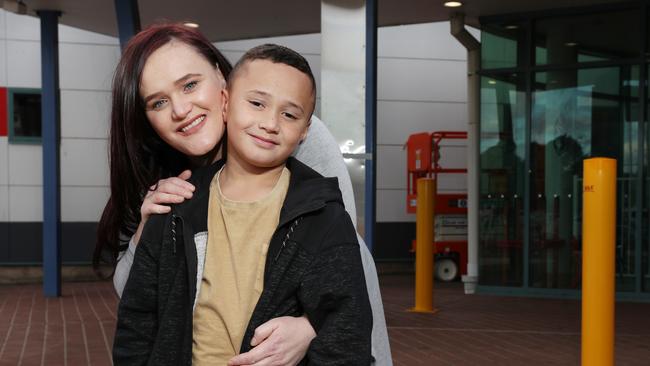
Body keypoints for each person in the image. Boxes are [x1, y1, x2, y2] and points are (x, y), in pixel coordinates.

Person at [96, 23, 391, 365]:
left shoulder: (289, 133)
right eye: (158, 102)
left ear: (223, 82)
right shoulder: (157, 172)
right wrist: (146, 231)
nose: (180, 109)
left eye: (190, 85)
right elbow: (135, 301)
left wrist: (312, 326)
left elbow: (341, 259)